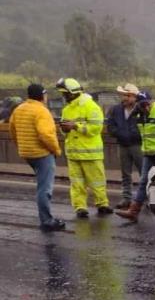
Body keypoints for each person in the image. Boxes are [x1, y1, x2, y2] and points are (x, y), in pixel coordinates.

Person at [8, 84, 65, 232]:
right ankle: (47, 220)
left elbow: (12, 130)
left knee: (41, 184)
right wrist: (56, 150)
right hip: (41, 153)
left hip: (27, 153)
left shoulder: (18, 109)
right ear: (42, 95)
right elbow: (45, 134)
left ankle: (46, 218)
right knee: (44, 188)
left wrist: (20, 145)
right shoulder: (42, 111)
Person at [116, 91, 155, 222]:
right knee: (144, 182)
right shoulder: (140, 115)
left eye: (147, 104)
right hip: (148, 155)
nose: (146, 108)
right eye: (142, 105)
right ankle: (133, 211)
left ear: (151, 102)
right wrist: (135, 113)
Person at [56, 78, 113, 218]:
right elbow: (64, 131)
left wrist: (75, 126)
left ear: (73, 93)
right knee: (76, 183)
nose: (64, 97)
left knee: (97, 181)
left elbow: (95, 129)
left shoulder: (91, 106)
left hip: (90, 153)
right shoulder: (66, 110)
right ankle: (80, 207)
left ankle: (102, 204)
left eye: (65, 94)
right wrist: (64, 129)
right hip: (73, 154)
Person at [106, 83, 143, 210]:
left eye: (127, 95)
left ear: (134, 96)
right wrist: (120, 134)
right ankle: (127, 198)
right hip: (123, 144)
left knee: (144, 173)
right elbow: (110, 125)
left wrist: (135, 135)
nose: (124, 98)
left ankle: (146, 197)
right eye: (123, 95)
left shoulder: (141, 109)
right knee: (125, 173)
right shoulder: (116, 109)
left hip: (138, 145)